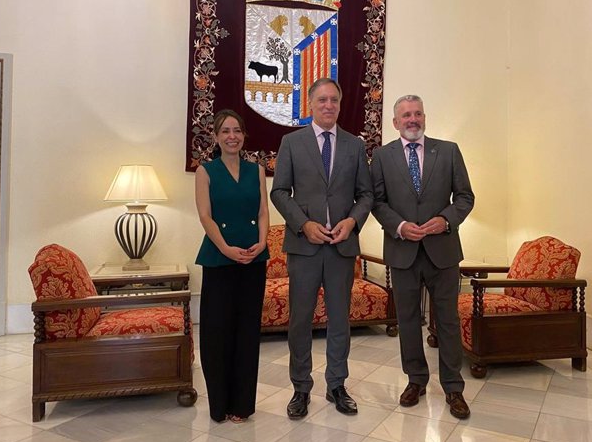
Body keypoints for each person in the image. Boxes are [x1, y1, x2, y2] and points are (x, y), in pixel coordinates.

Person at [270, 78, 373, 420]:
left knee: (340, 320)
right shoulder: (291, 142)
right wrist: (304, 224)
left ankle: (336, 385)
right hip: (304, 247)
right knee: (300, 320)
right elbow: (280, 192)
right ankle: (301, 388)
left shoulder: (355, 146)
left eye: (334, 100)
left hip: (342, 248)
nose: (329, 105)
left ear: (340, 105)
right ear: (310, 104)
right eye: (322, 100)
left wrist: (352, 222)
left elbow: (366, 195)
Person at [370, 94, 474, 419]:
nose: (412, 120)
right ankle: (415, 380)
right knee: (408, 320)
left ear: (425, 117)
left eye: (417, 114)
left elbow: (465, 197)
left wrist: (445, 220)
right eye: (405, 115)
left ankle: (453, 387)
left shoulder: (448, 151)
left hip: (442, 250)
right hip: (402, 251)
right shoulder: (382, 156)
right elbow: (376, 201)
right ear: (395, 122)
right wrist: (399, 226)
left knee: (447, 320)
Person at [195, 109, 270, 423]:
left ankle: (242, 406)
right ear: (216, 136)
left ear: (243, 135)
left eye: (237, 131)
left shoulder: (257, 171)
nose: (232, 136)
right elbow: (205, 216)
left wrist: (264, 242)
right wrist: (225, 247)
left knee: (246, 333)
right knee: (217, 333)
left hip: (253, 259)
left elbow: (264, 211)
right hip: (219, 260)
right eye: (225, 131)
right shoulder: (205, 171)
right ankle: (219, 406)